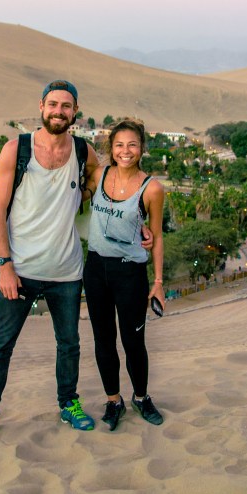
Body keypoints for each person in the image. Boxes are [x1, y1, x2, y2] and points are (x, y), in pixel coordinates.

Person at [0, 80, 101, 450]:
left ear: (75, 113)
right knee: (1, 345)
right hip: (18, 271)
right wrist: (5, 265)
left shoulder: (84, 151)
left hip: (66, 271)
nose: (59, 111)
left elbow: (104, 181)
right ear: (41, 106)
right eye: (53, 104)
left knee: (68, 344)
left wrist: (86, 194)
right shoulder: (16, 150)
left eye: (66, 106)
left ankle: (68, 403)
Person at [83, 117, 166, 431]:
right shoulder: (99, 174)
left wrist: (157, 282)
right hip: (95, 269)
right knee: (103, 340)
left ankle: (141, 398)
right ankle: (113, 399)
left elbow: (156, 237)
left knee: (134, 342)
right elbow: (73, 194)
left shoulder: (152, 188)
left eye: (132, 144)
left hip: (130, 273)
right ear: (111, 148)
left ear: (142, 148)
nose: (126, 151)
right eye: (119, 145)